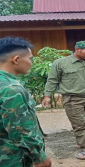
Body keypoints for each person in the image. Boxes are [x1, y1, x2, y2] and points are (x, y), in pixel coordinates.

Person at [42, 41, 85, 160]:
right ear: (77, 49)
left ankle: (83, 142)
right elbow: (52, 80)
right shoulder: (61, 63)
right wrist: (47, 96)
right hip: (72, 99)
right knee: (80, 124)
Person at [0, 37, 52, 167]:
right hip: (11, 158)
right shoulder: (12, 89)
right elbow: (20, 129)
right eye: (30, 59)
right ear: (16, 59)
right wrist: (39, 156)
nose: (32, 63)